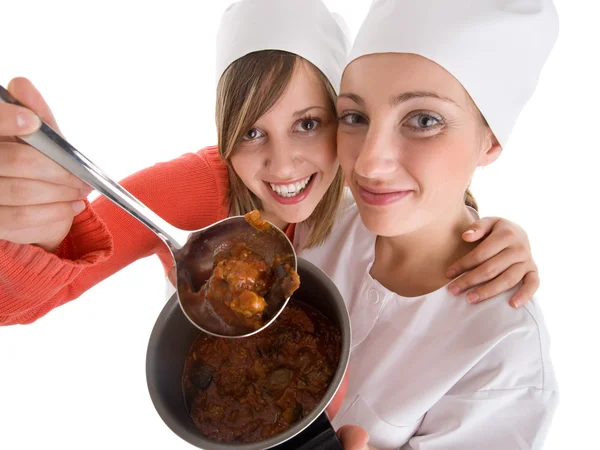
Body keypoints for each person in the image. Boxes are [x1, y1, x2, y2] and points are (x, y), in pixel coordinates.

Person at [297, 0, 559, 448]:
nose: (369, 163)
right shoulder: (313, 222)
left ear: (490, 139)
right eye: (355, 117)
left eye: (423, 120)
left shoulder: (504, 353)